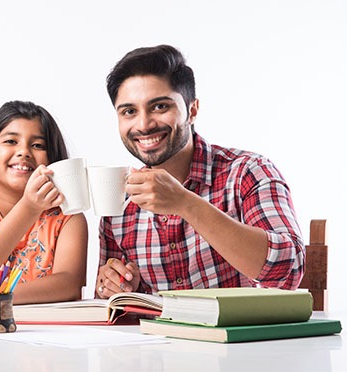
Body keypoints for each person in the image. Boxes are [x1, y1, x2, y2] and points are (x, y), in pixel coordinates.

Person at [95, 45, 304, 299]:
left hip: (244, 338)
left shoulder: (247, 172)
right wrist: (117, 287)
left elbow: (288, 271)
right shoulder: (119, 204)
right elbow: (116, 312)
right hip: (160, 338)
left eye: (160, 107)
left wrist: (185, 203)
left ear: (192, 110)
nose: (144, 124)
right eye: (129, 111)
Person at [0, 100, 88, 315]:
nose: (24, 152)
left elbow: (69, 284)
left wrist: (1, 298)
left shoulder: (69, 218)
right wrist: (28, 207)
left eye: (38, 145)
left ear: (53, 164)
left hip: (46, 338)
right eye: (11, 141)